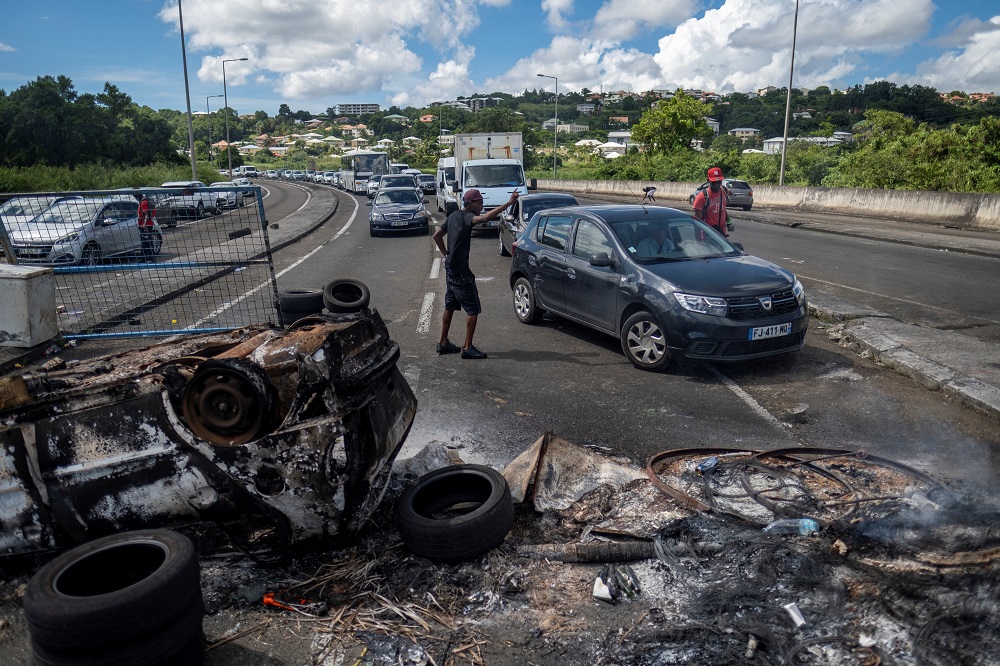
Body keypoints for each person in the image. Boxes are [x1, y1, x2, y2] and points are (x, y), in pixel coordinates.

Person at [434, 188, 519, 359]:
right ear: (471, 203)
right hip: (461, 272)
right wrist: (509, 203)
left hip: (450, 269)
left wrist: (446, 254)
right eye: (480, 203)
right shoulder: (467, 218)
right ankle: (467, 348)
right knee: (473, 309)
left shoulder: (452, 216)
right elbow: (486, 218)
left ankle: (443, 343)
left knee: (449, 306)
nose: (482, 206)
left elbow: (437, 236)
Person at [692, 167, 729, 236]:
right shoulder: (702, 197)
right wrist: (697, 240)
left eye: (719, 182)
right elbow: (696, 221)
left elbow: (723, 208)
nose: (716, 185)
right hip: (708, 235)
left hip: (721, 234)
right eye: (714, 182)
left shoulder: (724, 191)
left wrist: (728, 220)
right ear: (708, 181)